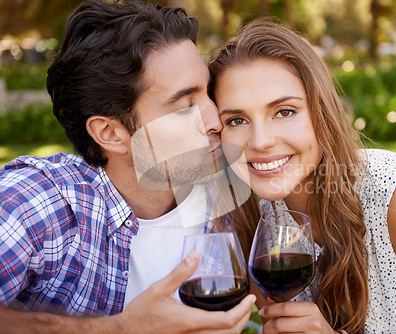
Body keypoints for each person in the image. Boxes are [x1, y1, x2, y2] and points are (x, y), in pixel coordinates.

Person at [208, 19, 396, 334]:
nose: (260, 141)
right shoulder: (254, 212)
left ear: (321, 112)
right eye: (237, 120)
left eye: (284, 112)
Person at [0, 0, 256, 332]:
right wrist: (120, 328)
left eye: (208, 93)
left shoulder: (225, 193)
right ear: (111, 133)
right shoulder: (42, 202)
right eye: (185, 105)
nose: (215, 120)